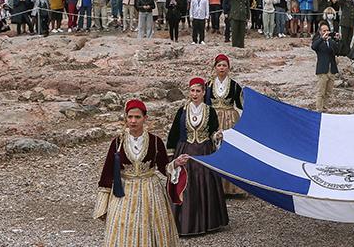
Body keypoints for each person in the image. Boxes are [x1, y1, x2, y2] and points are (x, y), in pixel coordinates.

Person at [94, 99, 185, 246]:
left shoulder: (155, 141)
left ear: (145, 118)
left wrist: (175, 164)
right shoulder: (118, 142)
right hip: (124, 191)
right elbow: (108, 172)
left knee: (151, 225)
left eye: (137, 117)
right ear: (126, 118)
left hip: (150, 191)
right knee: (123, 225)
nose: (133, 121)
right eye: (130, 117)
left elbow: (163, 167)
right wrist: (103, 203)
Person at [166, 77, 228, 236]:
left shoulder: (210, 111)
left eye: (198, 91)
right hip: (185, 150)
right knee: (185, 185)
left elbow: (213, 131)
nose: (194, 94)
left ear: (203, 92)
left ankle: (207, 221)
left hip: (204, 151)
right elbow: (174, 134)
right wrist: (172, 156)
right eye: (192, 90)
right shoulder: (182, 111)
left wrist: (217, 137)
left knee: (205, 184)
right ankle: (184, 223)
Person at [205, 54, 243, 196]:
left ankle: (231, 188)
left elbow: (241, 105)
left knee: (229, 149)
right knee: (212, 149)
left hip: (230, 120)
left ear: (228, 68)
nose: (221, 68)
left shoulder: (234, 85)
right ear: (215, 67)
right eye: (219, 65)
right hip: (213, 118)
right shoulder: (207, 85)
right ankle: (214, 186)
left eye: (224, 65)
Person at [312, 22, 339, 111]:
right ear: (320, 31)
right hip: (323, 69)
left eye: (327, 30)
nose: (326, 32)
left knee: (329, 91)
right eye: (324, 31)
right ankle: (319, 109)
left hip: (332, 69)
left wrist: (337, 39)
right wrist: (322, 39)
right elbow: (313, 47)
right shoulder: (318, 41)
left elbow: (337, 50)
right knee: (321, 91)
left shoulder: (331, 41)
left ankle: (325, 107)